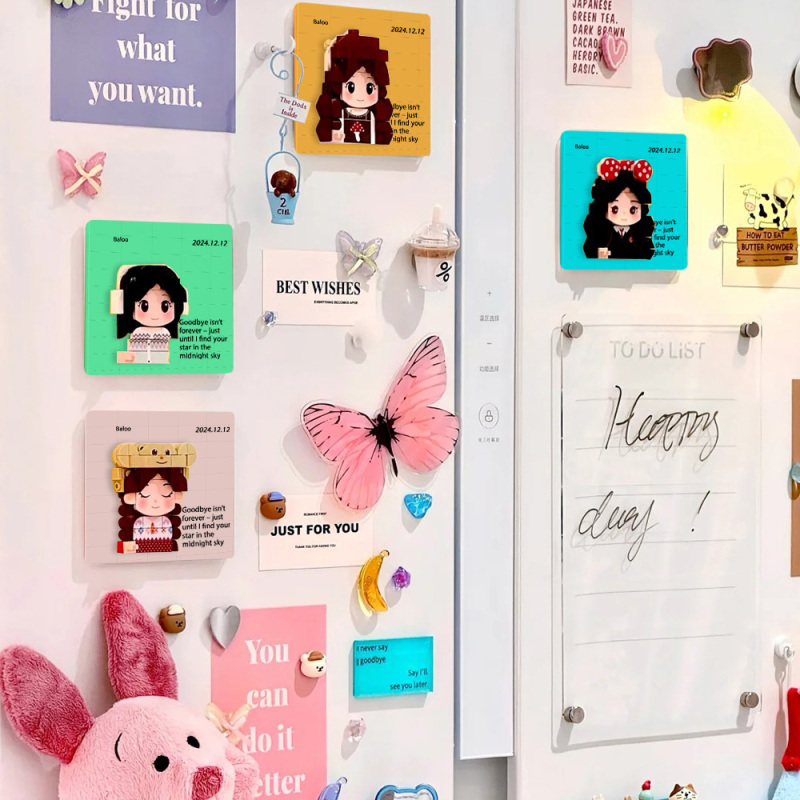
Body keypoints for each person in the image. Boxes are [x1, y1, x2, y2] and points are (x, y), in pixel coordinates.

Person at [316, 29, 393, 145]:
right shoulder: (339, 112)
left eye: (370, 88)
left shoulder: (374, 115)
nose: (360, 96)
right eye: (351, 87)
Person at [583, 158, 655, 260]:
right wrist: (599, 253)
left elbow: (647, 252)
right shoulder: (600, 230)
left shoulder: (642, 231)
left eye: (633, 209)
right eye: (615, 209)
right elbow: (590, 250)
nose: (624, 215)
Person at [115, 264, 187, 364]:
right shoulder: (137, 333)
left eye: (165, 306)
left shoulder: (165, 334)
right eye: (144, 306)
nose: (154, 315)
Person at [117, 466, 188, 554]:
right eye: (145, 495)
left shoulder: (168, 521)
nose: (155, 501)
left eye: (166, 494)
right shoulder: (134, 520)